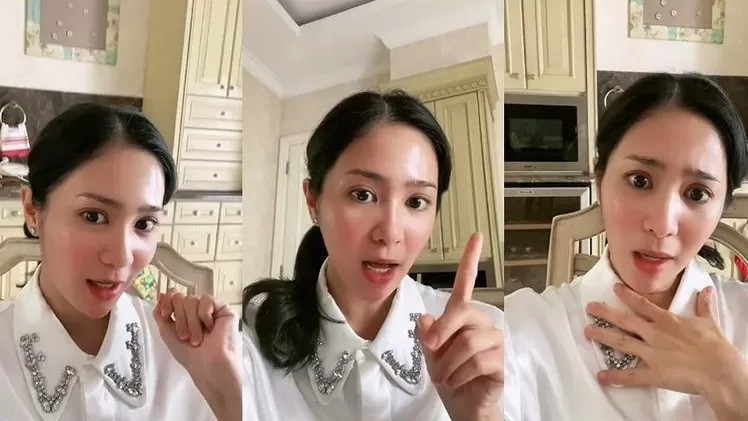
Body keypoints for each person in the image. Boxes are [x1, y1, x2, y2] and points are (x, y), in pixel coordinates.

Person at [242, 90, 504, 420]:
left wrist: (480, 415)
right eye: (363, 195)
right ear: (313, 201)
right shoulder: (249, 337)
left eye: (416, 202)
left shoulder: (485, 345)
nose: (390, 233)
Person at [504, 73, 748, 421]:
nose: (662, 225)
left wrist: (732, 384)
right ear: (600, 181)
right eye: (640, 181)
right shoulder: (523, 330)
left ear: (722, 206)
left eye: (697, 193)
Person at [0, 103, 241, 420]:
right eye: (93, 216)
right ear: (33, 210)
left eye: (144, 223)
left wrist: (226, 397)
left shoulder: (189, 356)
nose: (122, 257)